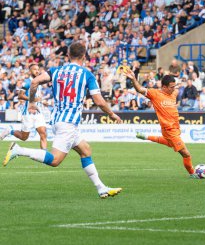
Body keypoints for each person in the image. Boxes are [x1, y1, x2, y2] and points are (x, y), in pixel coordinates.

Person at [3, 42, 123, 199]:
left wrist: (31, 102)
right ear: (84, 56)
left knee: (85, 150)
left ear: (68, 55)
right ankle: (19, 150)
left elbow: (34, 82)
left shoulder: (56, 70)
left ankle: (101, 188)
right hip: (68, 123)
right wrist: (112, 114)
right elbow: (99, 101)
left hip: (60, 120)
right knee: (54, 160)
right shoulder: (87, 74)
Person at [124, 70, 198, 178]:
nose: (173, 89)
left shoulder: (174, 93)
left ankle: (146, 136)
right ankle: (192, 173)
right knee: (186, 153)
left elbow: (178, 88)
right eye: (171, 87)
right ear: (163, 87)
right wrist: (134, 80)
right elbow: (140, 89)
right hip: (169, 129)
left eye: (174, 86)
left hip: (176, 129)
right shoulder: (155, 94)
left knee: (169, 143)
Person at [0, 64, 47, 149]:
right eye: (34, 69)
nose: (37, 71)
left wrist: (42, 101)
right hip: (28, 113)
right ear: (30, 71)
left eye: (38, 69)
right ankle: (9, 131)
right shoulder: (27, 82)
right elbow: (20, 96)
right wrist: (33, 99)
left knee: (43, 133)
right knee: (24, 137)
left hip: (38, 113)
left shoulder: (39, 81)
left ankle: (45, 157)